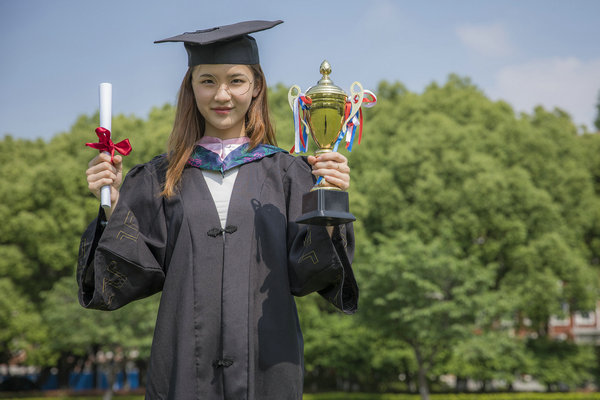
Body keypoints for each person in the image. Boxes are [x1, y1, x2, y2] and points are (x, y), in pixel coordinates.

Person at [77, 20, 358, 400]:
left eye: (236, 80)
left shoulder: (291, 174)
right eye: (207, 80)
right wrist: (111, 201)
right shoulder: (158, 178)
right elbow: (121, 276)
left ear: (256, 86)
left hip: (268, 367)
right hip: (183, 369)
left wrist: (330, 201)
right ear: (190, 88)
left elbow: (311, 275)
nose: (222, 94)